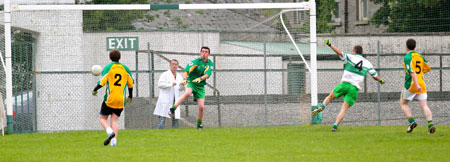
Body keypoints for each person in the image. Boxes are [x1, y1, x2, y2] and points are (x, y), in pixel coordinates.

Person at [312, 39, 385, 132]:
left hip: (345, 84)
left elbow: (339, 52)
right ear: (362, 53)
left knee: (330, 96)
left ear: (354, 51)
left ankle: (322, 106)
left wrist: (330, 45)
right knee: (343, 109)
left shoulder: (351, 57)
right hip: (354, 89)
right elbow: (375, 76)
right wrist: (381, 80)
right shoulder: (368, 63)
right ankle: (335, 126)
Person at [92, 49, 134, 146]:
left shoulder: (108, 68)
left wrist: (95, 89)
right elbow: (131, 84)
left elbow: (102, 82)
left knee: (102, 118)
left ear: (110, 58)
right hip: (121, 100)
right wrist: (130, 96)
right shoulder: (125, 69)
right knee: (114, 120)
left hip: (110, 99)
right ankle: (113, 143)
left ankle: (109, 132)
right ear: (120, 58)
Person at [169, 47, 214, 129]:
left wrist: (200, 79)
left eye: (206, 52)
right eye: (203, 51)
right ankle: (173, 108)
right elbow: (187, 71)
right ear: (200, 53)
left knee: (201, 107)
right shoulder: (196, 62)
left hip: (200, 86)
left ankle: (199, 125)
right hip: (191, 81)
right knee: (187, 93)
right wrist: (185, 79)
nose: (204, 53)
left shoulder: (210, 64)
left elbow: (207, 74)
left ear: (209, 54)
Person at [399, 38, 435, 134]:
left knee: (403, 104)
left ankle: (412, 122)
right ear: (415, 46)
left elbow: (412, 72)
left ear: (406, 46)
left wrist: (417, 84)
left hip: (411, 85)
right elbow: (427, 68)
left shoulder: (407, 57)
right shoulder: (420, 56)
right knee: (424, 105)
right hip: (421, 84)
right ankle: (431, 125)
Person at [154, 59, 185, 129]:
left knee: (176, 118)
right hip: (165, 100)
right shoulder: (165, 74)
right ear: (170, 65)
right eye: (173, 64)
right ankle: (160, 132)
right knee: (162, 117)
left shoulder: (179, 76)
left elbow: (180, 89)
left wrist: (182, 85)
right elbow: (160, 84)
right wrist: (170, 84)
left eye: (176, 64)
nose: (174, 66)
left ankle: (175, 133)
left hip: (175, 100)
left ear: (178, 66)